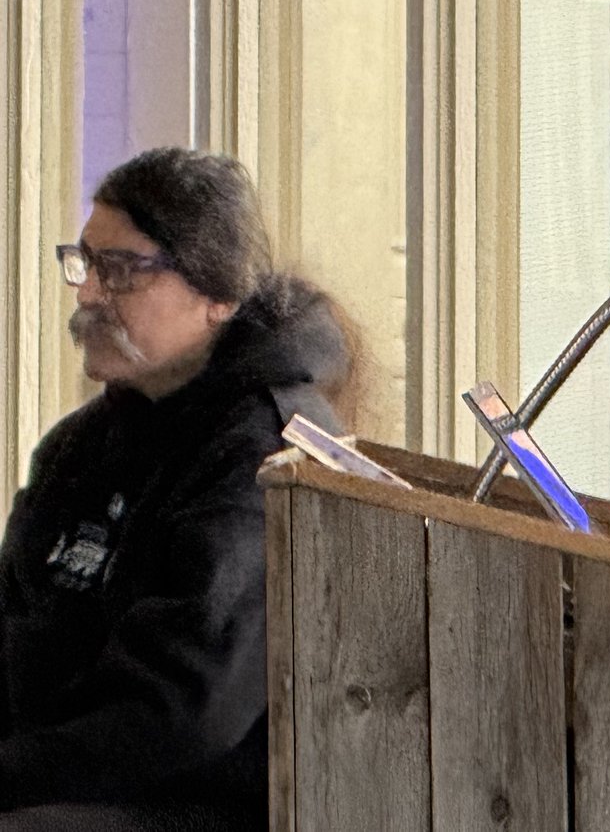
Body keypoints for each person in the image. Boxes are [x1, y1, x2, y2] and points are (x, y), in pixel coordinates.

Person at [0, 148, 353, 832]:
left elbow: (184, 711)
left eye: (121, 270)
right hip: (57, 777)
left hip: (194, 801)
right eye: (84, 262)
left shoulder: (267, 454)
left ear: (217, 293)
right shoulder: (79, 447)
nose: (88, 293)